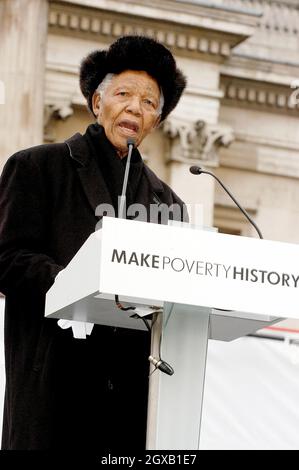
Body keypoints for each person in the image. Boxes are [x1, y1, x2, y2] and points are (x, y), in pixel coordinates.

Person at [0, 35, 187, 450]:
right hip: (52, 388)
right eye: (124, 94)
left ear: (157, 120)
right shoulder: (37, 167)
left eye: (150, 103)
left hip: (132, 403)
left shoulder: (169, 204)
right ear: (97, 102)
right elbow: (7, 259)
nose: (136, 108)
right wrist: (76, 283)